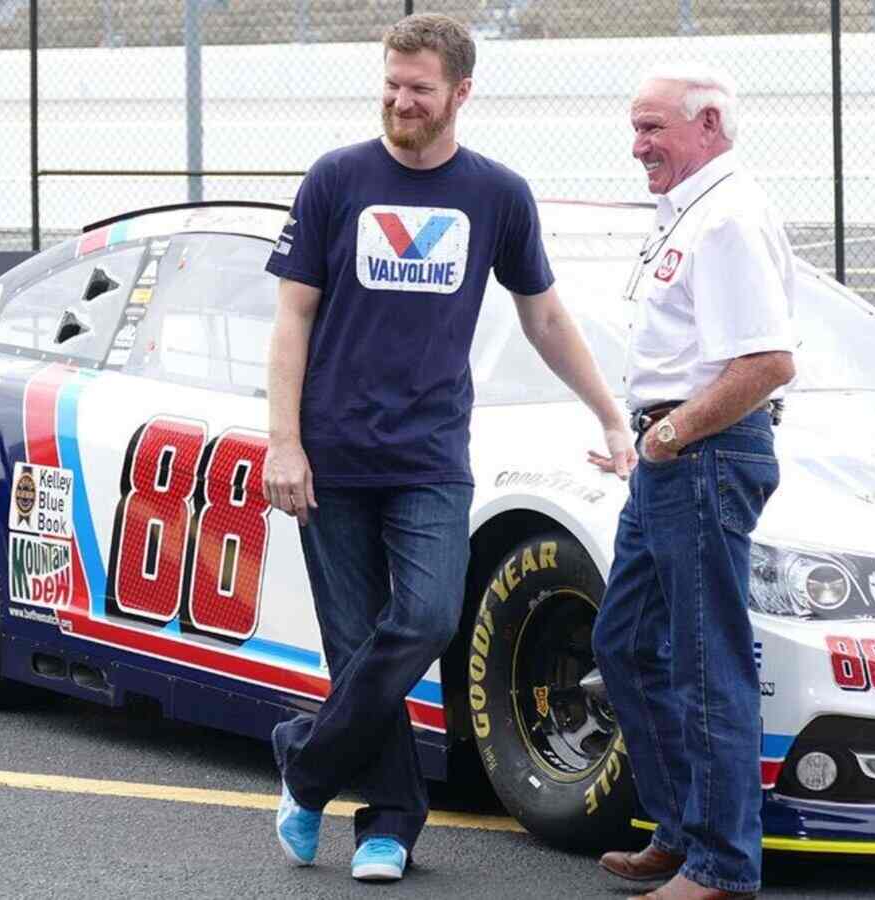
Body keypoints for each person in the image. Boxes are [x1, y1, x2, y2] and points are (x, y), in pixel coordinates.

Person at [261, 12, 634, 884]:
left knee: (427, 620)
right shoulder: (336, 179)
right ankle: (390, 826)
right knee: (358, 652)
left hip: (429, 455)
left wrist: (610, 414)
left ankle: (305, 760)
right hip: (330, 457)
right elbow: (292, 318)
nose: (401, 101)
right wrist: (284, 441)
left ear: (460, 93)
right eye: (391, 84)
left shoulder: (496, 194)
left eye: (419, 89)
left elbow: (543, 315)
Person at [587, 65, 796, 900]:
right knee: (628, 644)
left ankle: (720, 867)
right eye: (635, 130)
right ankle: (681, 832)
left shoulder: (730, 219)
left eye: (652, 129)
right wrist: (652, 439)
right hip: (671, 456)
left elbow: (768, 361)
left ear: (709, 124)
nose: (637, 147)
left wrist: (672, 433)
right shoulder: (693, 212)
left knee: (707, 665)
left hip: (702, 452)